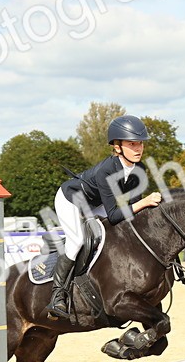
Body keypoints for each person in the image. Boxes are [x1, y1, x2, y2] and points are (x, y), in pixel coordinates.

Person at [46, 114, 162, 320]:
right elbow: (116, 215)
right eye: (132, 144)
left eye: (140, 144)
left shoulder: (139, 170)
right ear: (117, 147)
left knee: (115, 235)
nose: (138, 149)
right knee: (77, 241)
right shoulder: (106, 170)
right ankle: (58, 295)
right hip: (71, 199)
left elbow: (133, 214)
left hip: (95, 204)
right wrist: (144, 203)